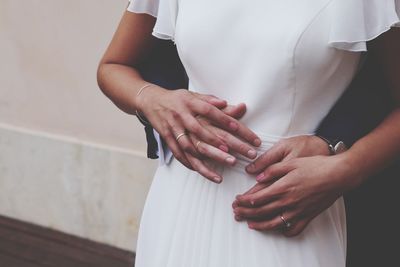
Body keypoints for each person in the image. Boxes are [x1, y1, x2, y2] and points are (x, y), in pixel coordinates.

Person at [97, 1, 400, 266]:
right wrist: (151, 98)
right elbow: (113, 66)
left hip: (290, 202)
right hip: (181, 197)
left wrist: (348, 168)